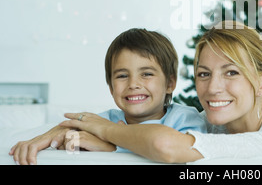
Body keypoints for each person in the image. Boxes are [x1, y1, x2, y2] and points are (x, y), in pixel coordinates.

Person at [56, 21, 262, 163]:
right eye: (204, 74)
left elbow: (163, 144)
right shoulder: (208, 123)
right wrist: (56, 133)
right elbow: (150, 130)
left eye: (231, 72)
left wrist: (107, 134)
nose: (212, 88)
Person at [9, 28, 206, 164]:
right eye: (122, 76)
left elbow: (180, 152)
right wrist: (43, 140)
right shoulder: (105, 119)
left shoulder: (185, 118)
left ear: (170, 83)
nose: (133, 84)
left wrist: (111, 146)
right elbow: (70, 131)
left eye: (146, 74)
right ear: (111, 87)